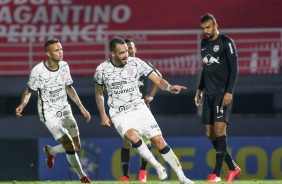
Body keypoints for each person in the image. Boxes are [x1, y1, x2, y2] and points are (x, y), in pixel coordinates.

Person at [94, 37, 194, 184]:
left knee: (159, 141)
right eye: (121, 53)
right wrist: (103, 114)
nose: (126, 55)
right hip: (119, 113)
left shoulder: (137, 63)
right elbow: (99, 93)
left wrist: (169, 87)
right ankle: (157, 166)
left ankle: (182, 177)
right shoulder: (102, 70)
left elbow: (158, 80)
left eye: (127, 51)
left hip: (140, 109)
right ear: (113, 54)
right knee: (132, 137)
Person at [15, 38, 91, 183]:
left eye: (61, 49)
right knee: (68, 143)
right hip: (48, 113)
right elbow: (29, 91)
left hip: (65, 109)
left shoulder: (64, 66)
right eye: (57, 50)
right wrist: (22, 105)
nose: (61, 52)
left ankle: (51, 151)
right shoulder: (38, 71)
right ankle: (83, 177)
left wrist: (81, 108)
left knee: (76, 146)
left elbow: (69, 87)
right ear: (48, 54)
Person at [194, 13, 241, 182]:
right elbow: (206, 68)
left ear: (215, 25)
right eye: (202, 28)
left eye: (208, 27)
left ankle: (216, 174)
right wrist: (199, 90)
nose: (205, 31)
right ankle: (233, 168)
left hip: (222, 93)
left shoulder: (226, 42)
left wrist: (229, 92)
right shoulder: (204, 43)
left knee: (220, 131)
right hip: (208, 94)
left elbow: (234, 69)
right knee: (210, 134)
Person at [119, 38, 162, 182]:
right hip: (126, 109)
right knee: (126, 141)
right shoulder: (119, 67)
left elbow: (159, 77)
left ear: (135, 49)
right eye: (126, 48)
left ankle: (143, 172)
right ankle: (125, 176)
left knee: (147, 141)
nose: (129, 50)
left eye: (131, 47)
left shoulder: (142, 65)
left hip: (142, 108)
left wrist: (151, 95)